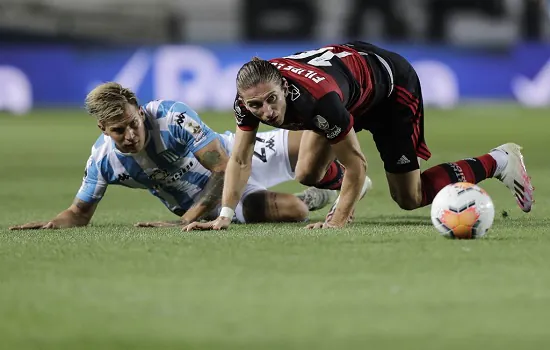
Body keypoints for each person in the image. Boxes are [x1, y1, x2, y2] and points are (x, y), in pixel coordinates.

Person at [184, 41, 534, 231]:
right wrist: (225, 215)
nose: (266, 113)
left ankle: (499, 160)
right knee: (307, 173)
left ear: (284, 87)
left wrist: (337, 220)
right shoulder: (249, 99)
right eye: (256, 106)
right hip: (348, 85)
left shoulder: (317, 101)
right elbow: (240, 159)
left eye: (271, 101)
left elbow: (356, 163)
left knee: (409, 197)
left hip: (389, 90)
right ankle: (350, 194)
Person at [9, 82, 355, 230]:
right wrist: (54, 223)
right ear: (102, 129)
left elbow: (223, 167)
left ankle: (344, 177)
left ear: (140, 111)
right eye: (118, 131)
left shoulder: (172, 117)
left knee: (311, 130)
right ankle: (316, 195)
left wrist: (185, 218)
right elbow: (79, 214)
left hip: (233, 158)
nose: (130, 135)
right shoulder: (104, 161)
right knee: (293, 211)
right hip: (214, 200)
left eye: (132, 123)